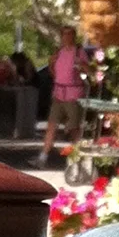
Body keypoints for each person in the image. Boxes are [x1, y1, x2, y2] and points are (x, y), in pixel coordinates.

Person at [40, 24, 86, 162]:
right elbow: (54, 73)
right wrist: (50, 64)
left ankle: (78, 156)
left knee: (73, 128)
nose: (67, 37)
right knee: (51, 125)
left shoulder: (79, 52)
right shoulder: (58, 52)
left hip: (73, 94)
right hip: (59, 93)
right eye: (64, 34)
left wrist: (82, 65)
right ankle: (43, 157)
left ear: (74, 36)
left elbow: (88, 71)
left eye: (70, 34)